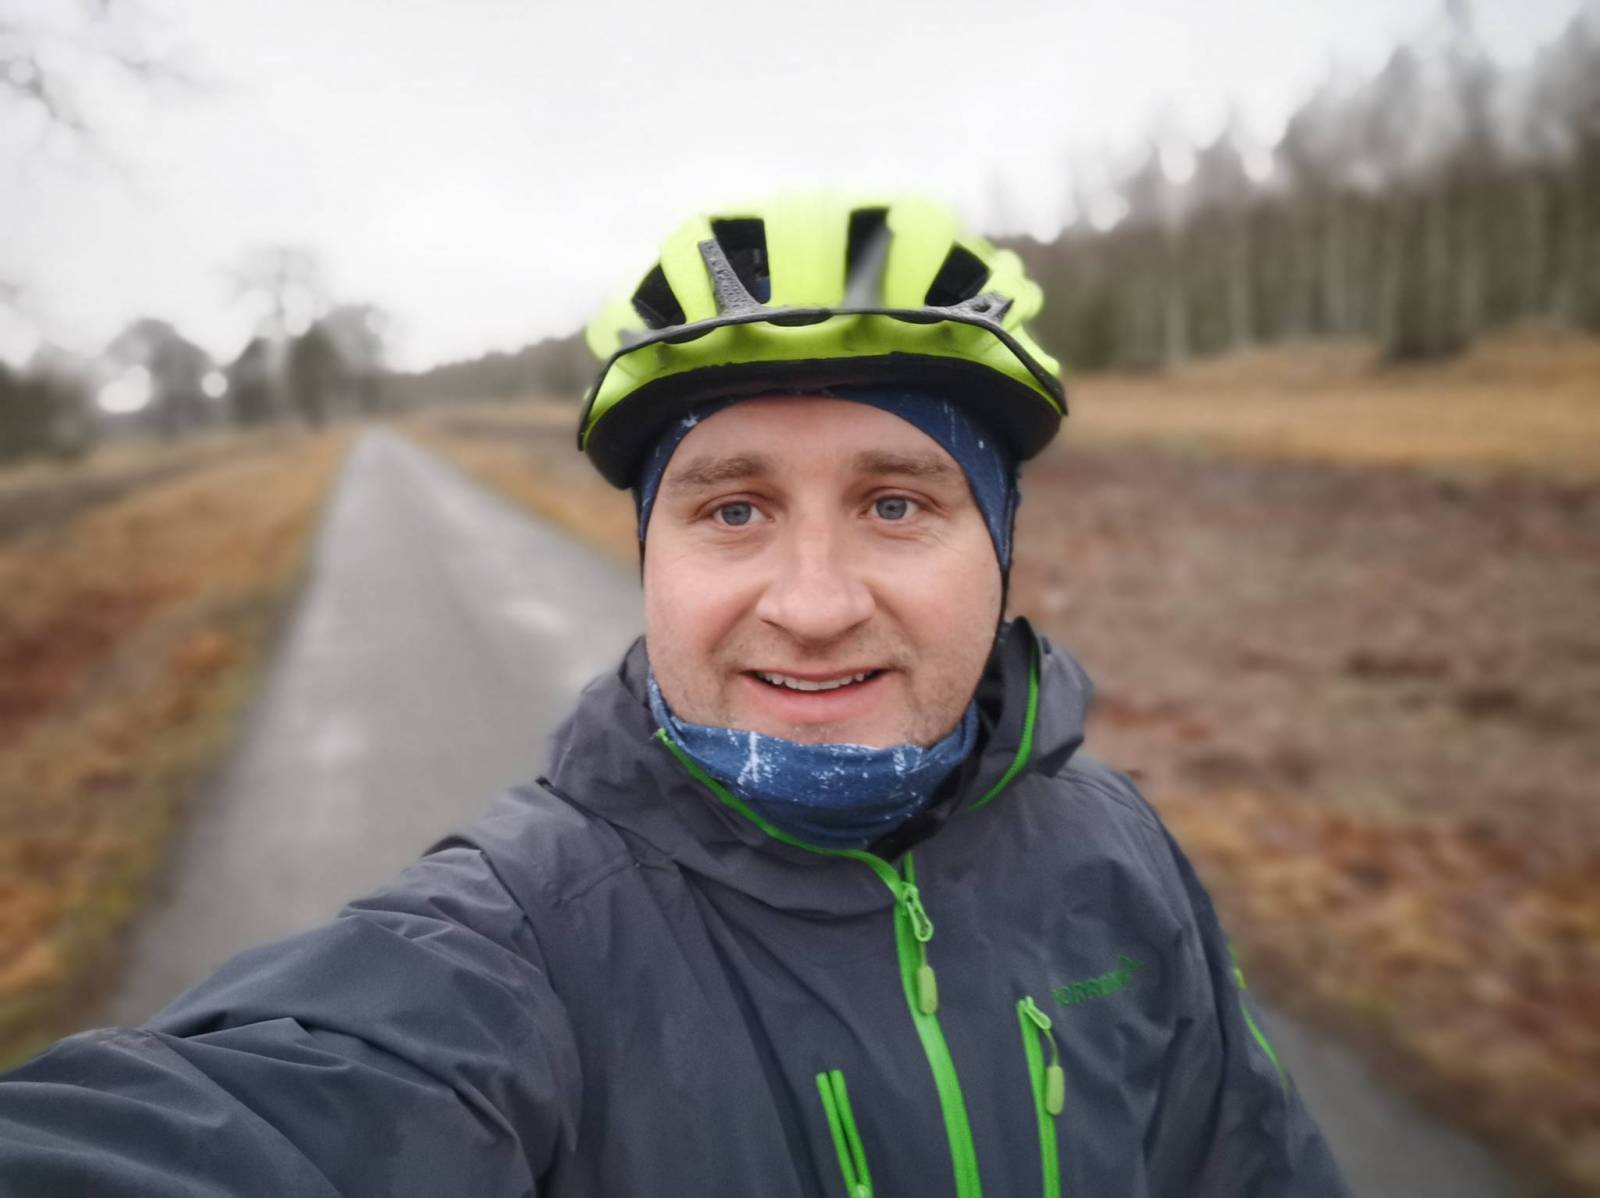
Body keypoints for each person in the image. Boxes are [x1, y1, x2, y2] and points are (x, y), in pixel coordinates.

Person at [0, 194, 1350, 1197]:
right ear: (651, 558)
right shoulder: (513, 948)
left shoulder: (1118, 850)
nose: (813, 604)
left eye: (896, 503)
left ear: (997, 549)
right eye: (733, 508)